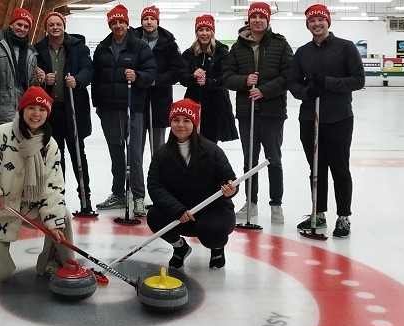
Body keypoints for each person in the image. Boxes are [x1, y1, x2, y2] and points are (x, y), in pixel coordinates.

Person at [0, 86, 74, 282]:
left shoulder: (50, 145)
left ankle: (51, 262)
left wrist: (54, 223)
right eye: (31, 108)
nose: (36, 114)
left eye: (42, 110)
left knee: (62, 217)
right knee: (1, 274)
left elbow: (53, 187)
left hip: (29, 205)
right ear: (22, 110)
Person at [288, 4, 365, 238]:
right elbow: (292, 82)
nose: (316, 24)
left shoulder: (346, 48)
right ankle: (318, 213)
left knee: (339, 168)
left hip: (338, 117)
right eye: (312, 21)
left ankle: (343, 217)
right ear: (308, 25)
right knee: (316, 169)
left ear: (328, 22)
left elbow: (358, 80)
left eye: (320, 20)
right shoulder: (302, 52)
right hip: (310, 118)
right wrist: (307, 92)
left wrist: (328, 83)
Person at [147, 98, 238, 270]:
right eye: (176, 120)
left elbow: (229, 179)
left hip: (213, 211)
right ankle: (180, 248)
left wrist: (230, 189)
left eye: (186, 120)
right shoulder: (161, 154)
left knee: (211, 230)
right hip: (181, 212)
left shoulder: (212, 151)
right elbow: (155, 186)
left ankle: (217, 248)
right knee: (154, 216)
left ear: (194, 123)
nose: (180, 125)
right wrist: (177, 209)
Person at [223, 2, 293, 224]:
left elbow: (288, 75)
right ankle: (250, 203)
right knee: (249, 160)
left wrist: (264, 90)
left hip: (272, 111)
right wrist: (245, 81)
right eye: (254, 17)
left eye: (262, 17)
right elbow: (227, 76)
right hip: (247, 112)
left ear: (268, 20)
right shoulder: (238, 47)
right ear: (249, 20)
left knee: (274, 159)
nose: (257, 20)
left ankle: (276, 205)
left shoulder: (280, 44)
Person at [91, 4, 157, 216]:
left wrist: (137, 77)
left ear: (127, 23)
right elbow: (96, 79)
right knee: (116, 153)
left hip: (133, 108)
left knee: (134, 155)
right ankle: (119, 193)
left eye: (121, 21)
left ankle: (138, 196)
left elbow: (151, 73)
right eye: (114, 22)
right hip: (109, 110)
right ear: (110, 24)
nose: (118, 25)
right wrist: (98, 105)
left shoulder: (140, 47)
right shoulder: (102, 48)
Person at [34, 12, 95, 213]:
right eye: (51, 24)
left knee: (78, 155)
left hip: (74, 109)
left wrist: (77, 80)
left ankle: (85, 198)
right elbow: (32, 77)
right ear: (46, 27)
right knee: (53, 156)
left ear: (64, 25)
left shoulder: (79, 47)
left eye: (58, 24)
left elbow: (89, 70)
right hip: (51, 112)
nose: (55, 27)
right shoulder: (37, 50)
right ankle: (56, 198)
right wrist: (42, 80)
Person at [0, 7, 45, 127]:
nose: (22, 29)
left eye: (26, 27)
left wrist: (38, 79)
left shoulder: (31, 52)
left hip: (22, 112)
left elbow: (30, 84)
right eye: (19, 24)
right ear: (11, 24)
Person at [132, 5, 183, 154]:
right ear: (142, 21)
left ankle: (158, 176)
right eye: (146, 19)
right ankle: (137, 177)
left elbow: (176, 71)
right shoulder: (132, 42)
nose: (149, 22)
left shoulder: (169, 44)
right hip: (137, 100)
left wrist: (156, 80)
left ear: (157, 22)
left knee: (158, 148)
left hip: (160, 101)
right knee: (136, 148)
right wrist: (140, 78)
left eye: (152, 19)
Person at [180, 14, 238, 144]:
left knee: (211, 144)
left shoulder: (222, 52)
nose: (204, 33)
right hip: (193, 103)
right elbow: (182, 77)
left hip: (215, 106)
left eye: (207, 30)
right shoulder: (188, 54)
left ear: (212, 32)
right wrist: (193, 76)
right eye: (201, 30)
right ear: (196, 33)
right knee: (192, 142)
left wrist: (208, 82)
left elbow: (226, 77)